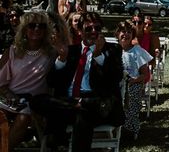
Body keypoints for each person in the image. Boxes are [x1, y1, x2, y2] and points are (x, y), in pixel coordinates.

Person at [31, 12, 125, 151]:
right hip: (70, 102)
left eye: (97, 28)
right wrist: (62, 59)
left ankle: (58, 142)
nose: (93, 32)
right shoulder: (71, 51)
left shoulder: (112, 49)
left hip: (98, 104)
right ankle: (76, 105)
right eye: (88, 29)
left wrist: (98, 54)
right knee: (37, 101)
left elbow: (114, 79)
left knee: (80, 115)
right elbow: (52, 82)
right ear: (79, 31)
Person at [0, 11, 55, 149]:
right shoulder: (12, 51)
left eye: (41, 26)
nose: (37, 29)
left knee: (23, 117)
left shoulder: (51, 53)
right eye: (32, 25)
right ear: (24, 29)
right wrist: (10, 96)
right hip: (10, 98)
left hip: (34, 102)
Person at [116, 20, 152, 140]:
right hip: (117, 85)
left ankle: (131, 132)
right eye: (122, 32)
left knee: (131, 106)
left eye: (128, 32)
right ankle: (116, 131)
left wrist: (133, 80)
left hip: (133, 85)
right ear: (117, 34)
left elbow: (145, 74)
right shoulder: (114, 50)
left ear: (132, 35)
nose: (125, 34)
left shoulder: (137, 51)